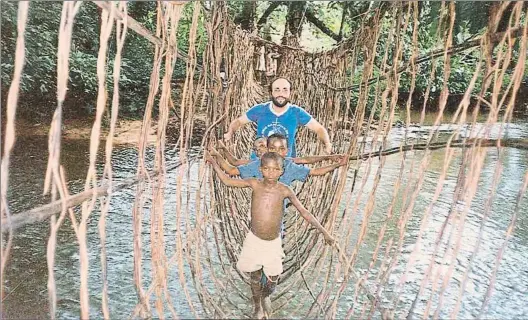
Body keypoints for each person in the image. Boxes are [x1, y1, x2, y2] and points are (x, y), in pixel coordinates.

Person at [205, 151, 335, 319]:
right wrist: (214, 162)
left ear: (282, 171)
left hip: (273, 243)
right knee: (255, 275)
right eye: (267, 168)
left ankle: (266, 295)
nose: (271, 172)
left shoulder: (284, 190)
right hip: (254, 240)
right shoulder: (254, 183)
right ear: (260, 169)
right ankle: (257, 306)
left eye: (275, 169)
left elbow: (304, 212)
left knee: (273, 278)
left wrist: (325, 232)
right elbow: (227, 180)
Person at [223, 78, 332, 159]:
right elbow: (238, 122)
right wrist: (229, 133)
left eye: (285, 90)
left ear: (290, 93)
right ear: (271, 92)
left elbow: (319, 129)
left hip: (284, 165)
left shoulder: (296, 112)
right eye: (277, 90)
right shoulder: (260, 110)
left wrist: (327, 143)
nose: (281, 94)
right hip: (260, 163)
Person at [214, 139, 344, 167]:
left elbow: (306, 159)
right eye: (257, 149)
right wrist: (220, 151)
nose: (259, 150)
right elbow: (234, 162)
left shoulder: (283, 160)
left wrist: (330, 157)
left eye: (262, 147)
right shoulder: (256, 162)